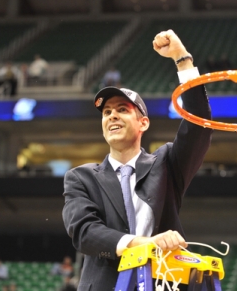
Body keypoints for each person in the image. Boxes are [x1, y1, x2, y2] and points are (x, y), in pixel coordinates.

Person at [62, 29, 212, 291]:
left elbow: (199, 124)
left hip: (163, 282)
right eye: (106, 112)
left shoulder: (166, 163)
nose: (112, 116)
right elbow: (85, 233)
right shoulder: (80, 177)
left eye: (122, 110)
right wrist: (144, 243)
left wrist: (181, 58)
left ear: (143, 122)